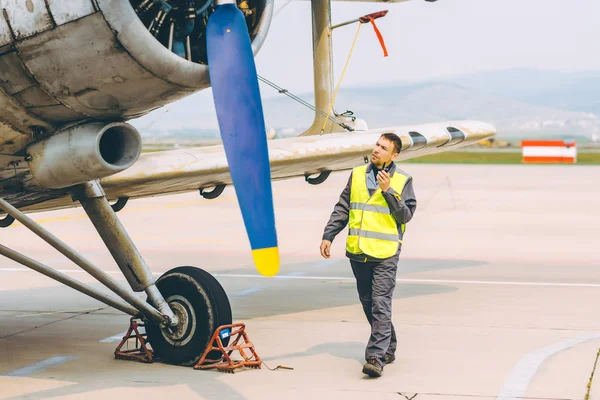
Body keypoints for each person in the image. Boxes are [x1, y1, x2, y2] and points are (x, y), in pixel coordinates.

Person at [319, 133, 417, 378]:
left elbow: (405, 216)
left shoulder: (403, 180)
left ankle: (375, 357)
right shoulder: (358, 174)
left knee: (380, 304)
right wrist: (328, 235)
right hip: (358, 251)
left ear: (394, 155)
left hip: (385, 254)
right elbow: (343, 207)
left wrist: (388, 191)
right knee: (368, 302)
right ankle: (389, 345)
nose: (376, 150)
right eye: (377, 145)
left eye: (383, 148)